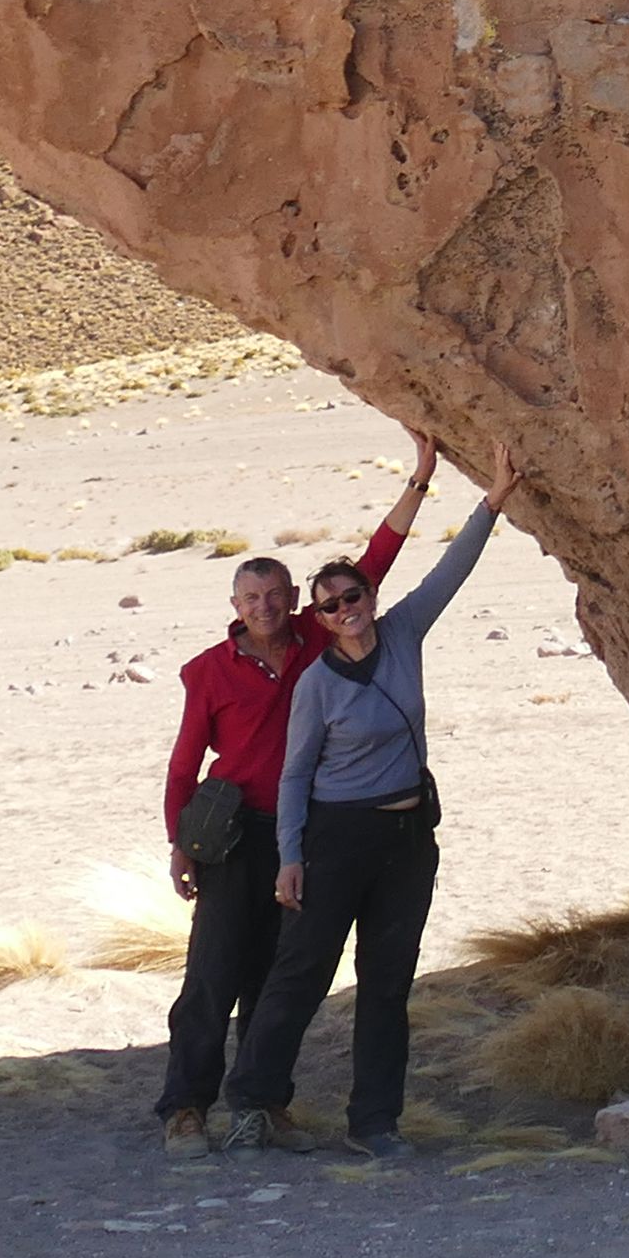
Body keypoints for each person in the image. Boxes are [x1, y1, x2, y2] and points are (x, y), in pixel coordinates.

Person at [148, 433, 433, 1151]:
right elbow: (184, 765)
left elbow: (375, 563)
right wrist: (179, 843)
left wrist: (419, 479)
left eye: (276, 594)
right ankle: (186, 1107)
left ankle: (264, 1106)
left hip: (305, 835)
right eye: (252, 598)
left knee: (280, 974)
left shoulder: (316, 637)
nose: (266, 606)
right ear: (235, 604)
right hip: (236, 834)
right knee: (214, 971)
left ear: (294, 600)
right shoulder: (208, 671)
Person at [219, 483, 503, 1157]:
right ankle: (253, 1103)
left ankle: (374, 1124)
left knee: (387, 983)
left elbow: (451, 570)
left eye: (354, 596)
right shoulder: (318, 684)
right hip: (336, 838)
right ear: (318, 618)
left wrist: (492, 502)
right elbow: (294, 775)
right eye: (331, 605)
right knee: (303, 973)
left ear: (371, 598)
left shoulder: (404, 633)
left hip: (407, 839)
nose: (346, 609)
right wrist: (292, 856)